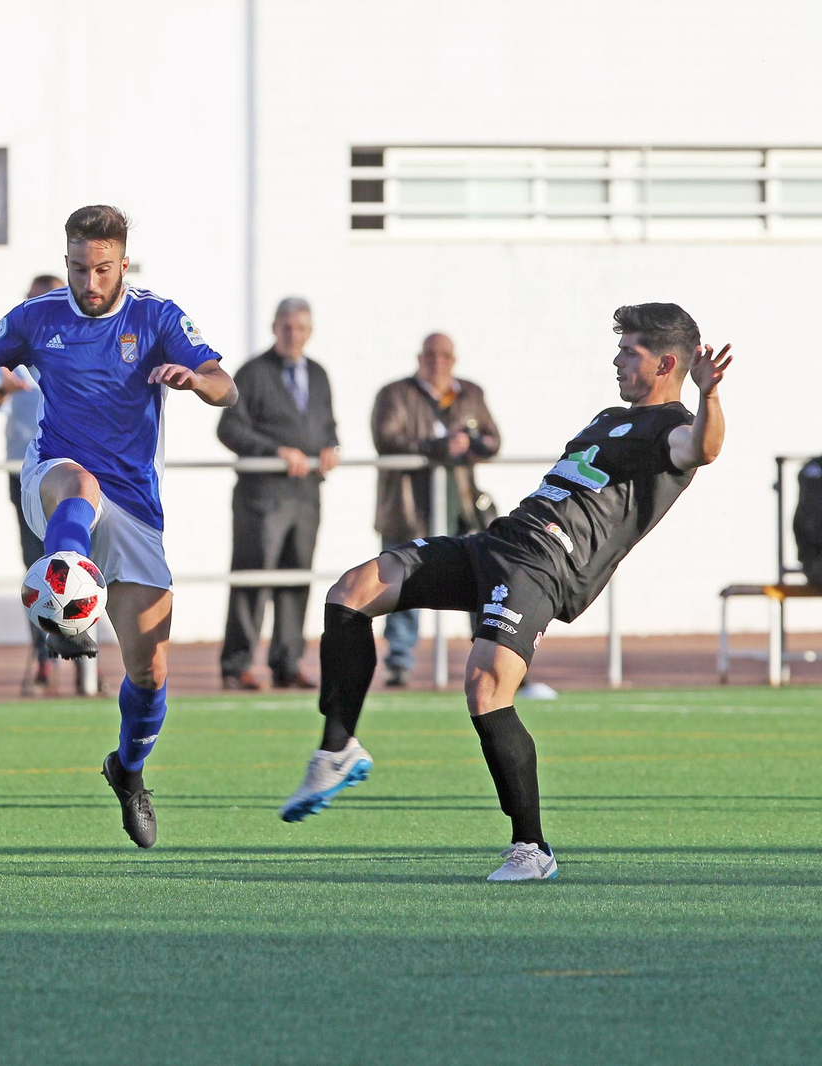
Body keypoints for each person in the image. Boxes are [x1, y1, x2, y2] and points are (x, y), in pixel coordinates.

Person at [279, 304, 731, 881]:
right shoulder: (606, 418)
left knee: (486, 684)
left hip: (544, 566)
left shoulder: (674, 428)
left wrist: (710, 395)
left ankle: (531, 848)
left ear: (667, 363)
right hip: (497, 542)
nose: (617, 359)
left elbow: (704, 450)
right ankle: (336, 749)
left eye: (631, 351)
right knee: (352, 590)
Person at [0, 205, 237, 849]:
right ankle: (63, 611)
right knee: (77, 485)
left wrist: (196, 379)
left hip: (135, 506)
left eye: (103, 269)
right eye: (79, 268)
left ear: (123, 264)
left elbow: (228, 385)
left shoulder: (157, 317)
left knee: (150, 674)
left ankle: (128, 771)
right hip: (55, 476)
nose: (90, 282)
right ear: (67, 261)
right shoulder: (39, 317)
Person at [216, 297, 339, 690]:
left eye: (300, 328)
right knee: (253, 580)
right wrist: (276, 453)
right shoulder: (252, 373)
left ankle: (287, 662)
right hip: (261, 497)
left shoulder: (318, 374)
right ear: (274, 328)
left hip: (306, 495)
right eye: (286, 327)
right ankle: (237, 665)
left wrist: (329, 448)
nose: (293, 335)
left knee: (296, 580)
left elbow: (327, 426)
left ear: (310, 331)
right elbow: (229, 428)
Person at [371, 332, 500, 687]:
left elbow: (493, 439)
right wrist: (438, 447)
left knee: (478, 580)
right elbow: (387, 439)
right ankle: (399, 661)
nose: (437, 361)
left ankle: (489, 656)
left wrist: (470, 444)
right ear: (419, 357)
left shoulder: (469, 393)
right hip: (409, 507)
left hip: (461, 505)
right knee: (402, 581)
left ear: (454, 359)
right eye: (430, 354)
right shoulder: (395, 393)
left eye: (444, 355)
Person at [0, 275, 63, 695]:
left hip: (73, 473)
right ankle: (45, 660)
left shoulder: (75, 341)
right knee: (36, 565)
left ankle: (90, 662)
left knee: (84, 563)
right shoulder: (13, 343)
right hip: (25, 472)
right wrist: (4, 391)